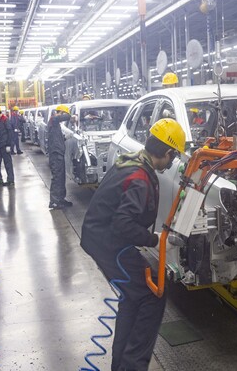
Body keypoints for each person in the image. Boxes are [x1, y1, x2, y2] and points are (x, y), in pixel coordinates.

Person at [80, 118, 185, 371]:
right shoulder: (140, 177)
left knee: (134, 296)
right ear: (168, 152)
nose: (172, 162)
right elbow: (123, 225)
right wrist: (155, 240)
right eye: (173, 157)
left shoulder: (135, 160)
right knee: (153, 295)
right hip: (109, 243)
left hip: (102, 237)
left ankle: (122, 366)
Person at [48, 104, 73, 209]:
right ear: (60, 113)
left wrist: (64, 138)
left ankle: (60, 199)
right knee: (57, 177)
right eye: (63, 114)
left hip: (59, 153)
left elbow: (57, 137)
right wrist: (71, 116)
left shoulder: (56, 124)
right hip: (55, 154)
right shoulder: (53, 120)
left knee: (61, 177)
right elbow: (65, 117)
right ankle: (54, 201)